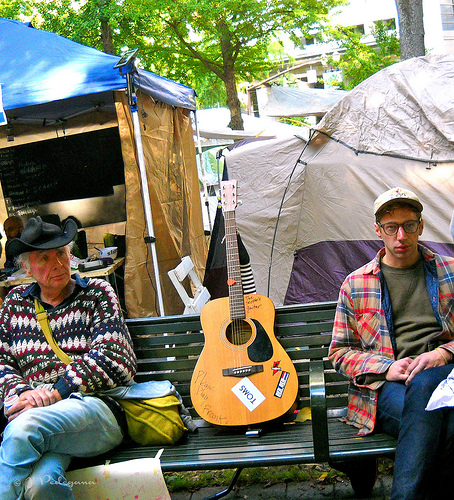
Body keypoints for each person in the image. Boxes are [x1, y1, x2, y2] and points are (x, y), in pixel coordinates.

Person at [329, 187, 454, 500]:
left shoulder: (450, 272)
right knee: (447, 424)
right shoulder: (356, 284)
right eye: (391, 227)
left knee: (426, 383)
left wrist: (443, 353)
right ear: (378, 230)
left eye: (409, 225)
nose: (401, 236)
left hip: (446, 377)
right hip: (386, 388)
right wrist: (387, 367)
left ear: (421, 226)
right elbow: (339, 353)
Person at [0, 216, 137, 500]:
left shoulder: (97, 293)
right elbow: (3, 364)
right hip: (39, 416)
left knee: (22, 430)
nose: (58, 264)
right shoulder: (14, 304)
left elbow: (116, 358)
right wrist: (24, 395)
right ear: (26, 267)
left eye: (61, 254)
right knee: (41, 485)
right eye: (44, 258)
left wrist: (56, 392)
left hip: (95, 409)